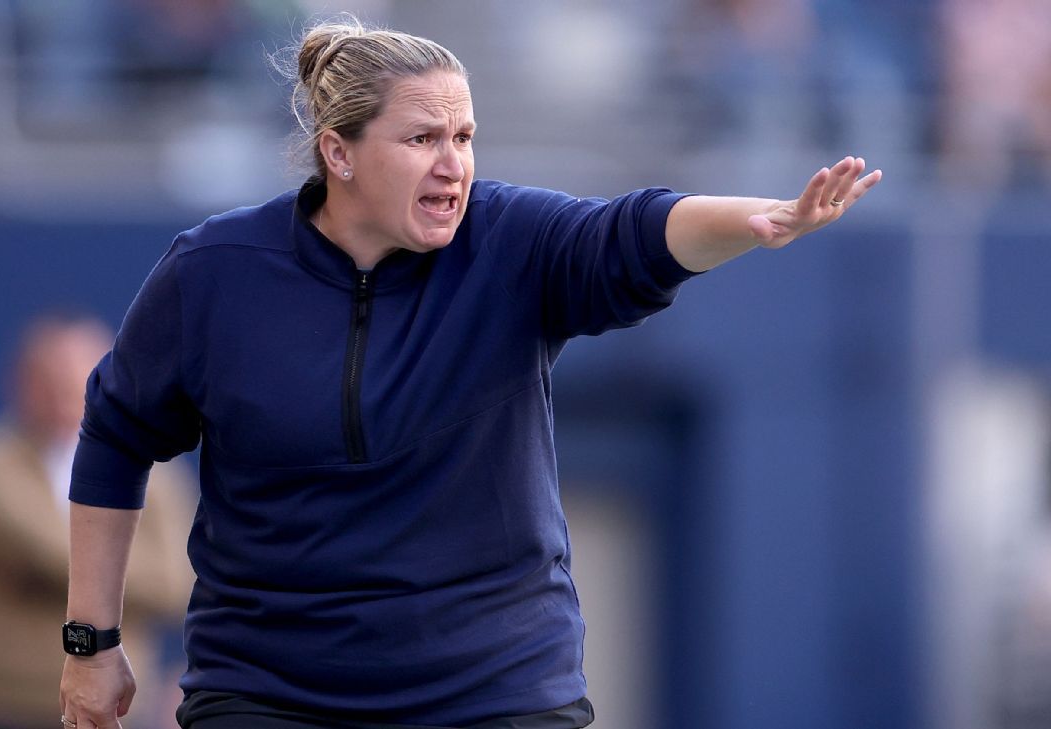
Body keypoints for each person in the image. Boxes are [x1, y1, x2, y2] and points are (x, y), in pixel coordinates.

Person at [59, 16, 882, 729]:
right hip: (272, 690)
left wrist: (755, 219)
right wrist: (92, 645)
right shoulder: (214, 271)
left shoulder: (510, 239)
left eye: (464, 137)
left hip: (492, 688)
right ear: (337, 153)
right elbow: (114, 437)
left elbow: (632, 231)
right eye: (422, 139)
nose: (454, 163)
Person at [0, 314, 195, 729]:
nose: (69, 394)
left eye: (85, 376)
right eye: (52, 380)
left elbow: (173, 583)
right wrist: (123, 574)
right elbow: (48, 551)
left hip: (118, 708)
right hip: (9, 704)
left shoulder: (157, 473)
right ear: (22, 383)